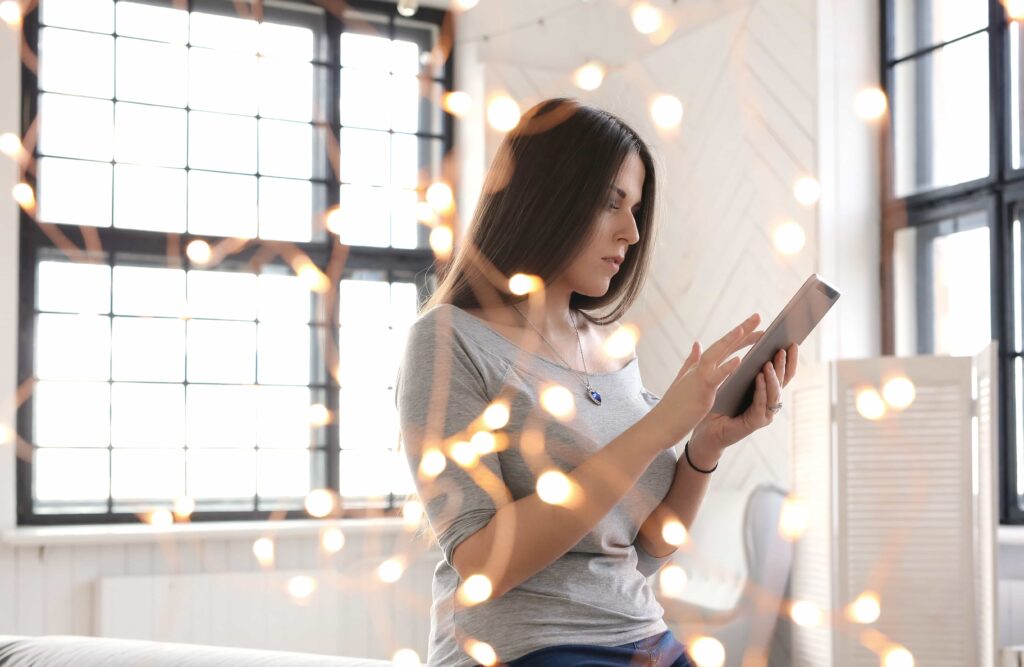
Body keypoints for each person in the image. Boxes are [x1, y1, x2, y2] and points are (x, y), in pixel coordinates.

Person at [394, 98, 798, 667]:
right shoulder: (449, 339)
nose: (632, 232)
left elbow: (649, 548)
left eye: (635, 208)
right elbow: (482, 562)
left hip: (644, 638)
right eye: (612, 203)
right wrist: (658, 427)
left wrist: (702, 446)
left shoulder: (612, 351)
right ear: (546, 199)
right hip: (525, 648)